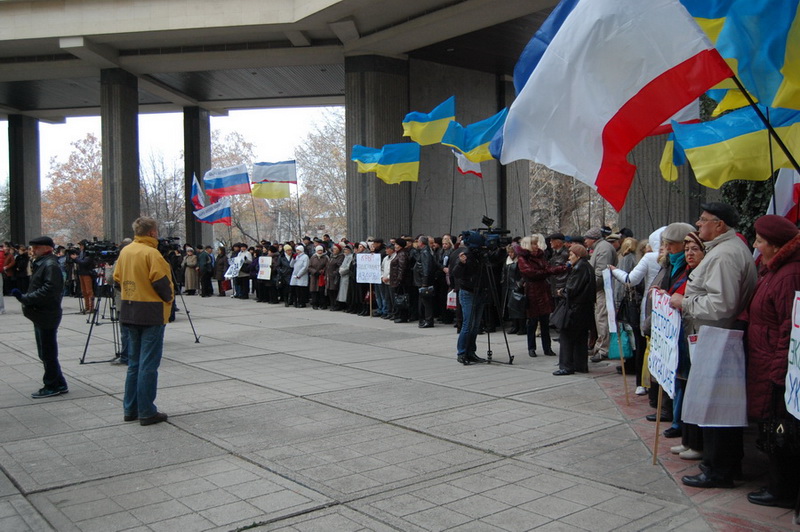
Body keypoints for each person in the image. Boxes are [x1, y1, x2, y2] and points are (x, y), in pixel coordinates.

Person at [671, 202, 757, 489]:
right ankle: (723, 465)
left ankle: (718, 469)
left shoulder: (725, 254)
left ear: (719, 225)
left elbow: (722, 304)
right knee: (720, 407)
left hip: (718, 338)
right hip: (718, 337)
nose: (698, 224)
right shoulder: (725, 249)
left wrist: (685, 302)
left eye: (703, 220)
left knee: (717, 408)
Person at [741, 215, 800, 508]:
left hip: (775, 362)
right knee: (771, 423)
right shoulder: (773, 270)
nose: (755, 245)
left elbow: (789, 326)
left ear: (776, 246)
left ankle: (781, 489)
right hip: (764, 356)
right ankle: (776, 484)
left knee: (779, 426)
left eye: (761, 241)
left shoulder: (789, 275)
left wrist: (779, 371)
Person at [113, 217, 174, 426]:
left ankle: (130, 408)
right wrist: (168, 300)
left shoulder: (126, 251)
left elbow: (117, 279)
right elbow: (162, 283)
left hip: (130, 309)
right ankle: (147, 411)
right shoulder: (152, 253)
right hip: (151, 311)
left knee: (134, 363)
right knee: (148, 364)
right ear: (152, 232)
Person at [610, 227, 665, 395]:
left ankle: (643, 383)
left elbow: (630, 279)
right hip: (662, 305)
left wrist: (614, 271)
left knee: (643, 345)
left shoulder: (649, 258)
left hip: (650, 305)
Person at [11, 236, 68, 398]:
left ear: (46, 248)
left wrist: (26, 298)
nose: (33, 250)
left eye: (36, 247)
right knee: (46, 351)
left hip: (46, 314)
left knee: (47, 352)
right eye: (33, 247)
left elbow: (49, 290)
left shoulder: (50, 265)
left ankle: (51, 385)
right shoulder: (44, 263)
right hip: (42, 313)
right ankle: (59, 382)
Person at [517, 234, 567, 357]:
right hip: (532, 291)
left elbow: (548, 269)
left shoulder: (540, 255)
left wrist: (561, 268)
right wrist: (546, 272)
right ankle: (531, 347)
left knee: (545, 321)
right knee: (532, 321)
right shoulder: (523, 258)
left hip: (543, 290)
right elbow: (530, 272)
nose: (536, 246)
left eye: (536, 243)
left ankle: (547, 348)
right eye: (533, 244)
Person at [553, 244, 595, 375]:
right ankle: (580, 365)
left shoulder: (579, 268)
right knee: (580, 338)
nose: (569, 257)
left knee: (567, 336)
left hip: (575, 308)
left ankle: (566, 366)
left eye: (571, 255)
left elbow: (572, 290)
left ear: (578, 255)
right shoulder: (587, 266)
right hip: (585, 308)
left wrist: (561, 292)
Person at [585, 227, 617, 362]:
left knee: (602, 319)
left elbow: (601, 273)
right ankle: (599, 346)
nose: (585, 241)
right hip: (600, 289)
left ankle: (604, 349)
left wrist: (589, 286)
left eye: (587, 238)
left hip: (603, 290)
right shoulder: (600, 247)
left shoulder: (603, 248)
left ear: (593, 239)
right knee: (600, 319)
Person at [452, 247, 487, 365]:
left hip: (480, 291)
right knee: (468, 324)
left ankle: (471, 352)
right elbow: (455, 273)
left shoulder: (482, 255)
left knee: (476, 325)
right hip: (467, 292)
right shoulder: (465, 255)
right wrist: (461, 263)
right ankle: (462, 352)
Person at [75, 240, 95, 314]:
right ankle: (87, 307)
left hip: (87, 273)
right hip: (81, 273)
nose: (80, 247)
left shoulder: (88, 254)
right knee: (83, 291)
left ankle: (91, 307)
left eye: (81, 245)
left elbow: (84, 262)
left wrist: (76, 259)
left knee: (89, 291)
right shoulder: (81, 254)